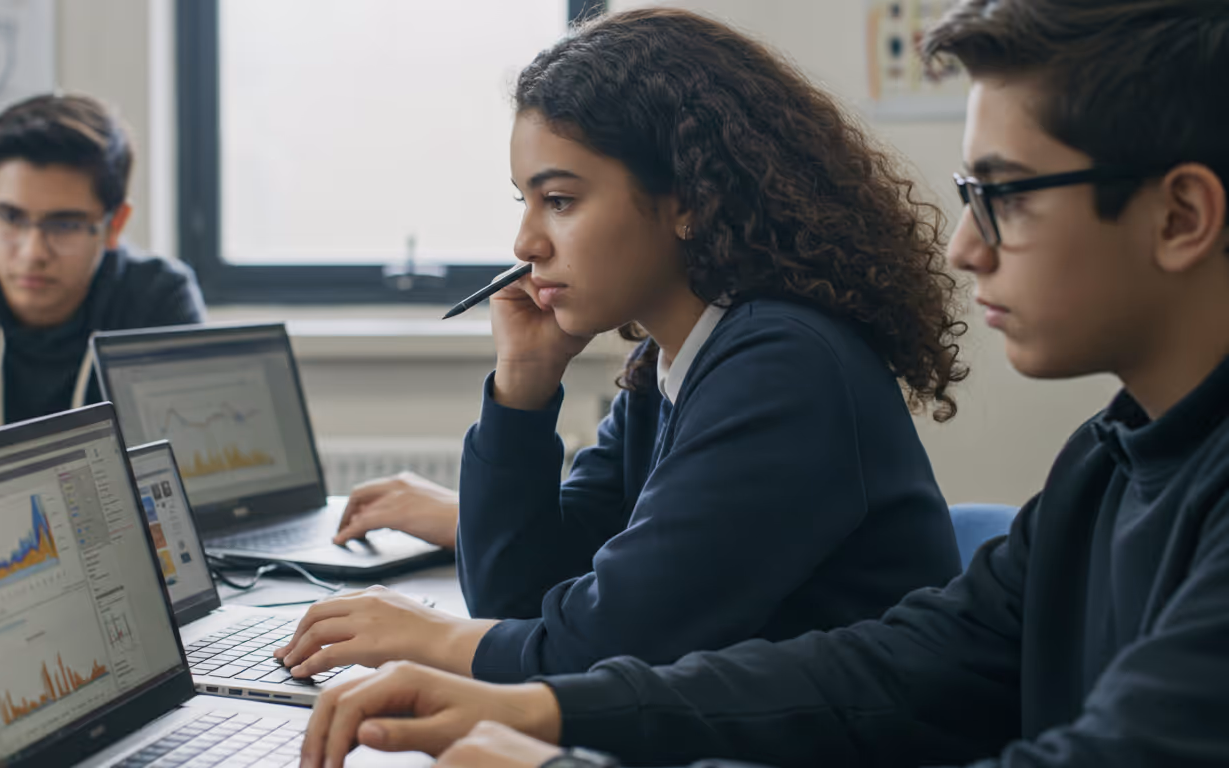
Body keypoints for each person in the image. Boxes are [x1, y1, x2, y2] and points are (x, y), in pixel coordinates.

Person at [294, 1, 1229, 766]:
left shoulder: (785, 360)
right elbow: (880, 671)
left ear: (1182, 215)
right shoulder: (1110, 461)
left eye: (1008, 195)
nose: (964, 245)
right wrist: (549, 713)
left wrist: (546, 731)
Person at [276, 7, 969, 686]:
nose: (525, 245)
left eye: (561, 200)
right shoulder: (670, 366)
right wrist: (523, 385)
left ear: (690, 200)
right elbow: (517, 597)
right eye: (524, 200)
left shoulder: (783, 366)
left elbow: (606, 649)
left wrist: (426, 635)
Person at [0, 93, 206, 442]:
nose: (32, 252)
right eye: (10, 217)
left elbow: (199, 460)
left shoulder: (159, 300)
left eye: (65, 225)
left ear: (115, 225)